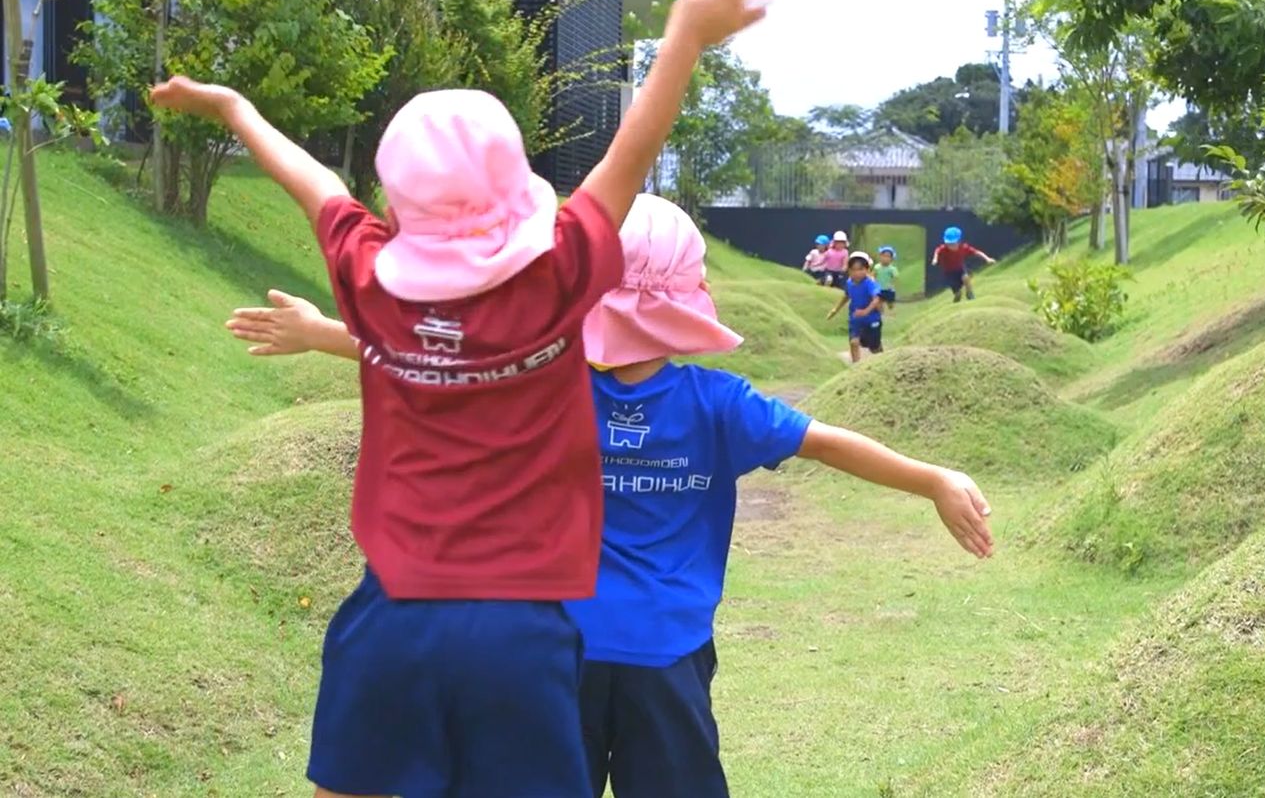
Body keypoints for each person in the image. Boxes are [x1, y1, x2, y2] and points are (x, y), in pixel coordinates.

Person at [162, 0, 771, 798]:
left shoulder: (371, 277)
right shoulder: (557, 276)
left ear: (397, 196)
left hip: (390, 616)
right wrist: (684, 38)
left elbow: (315, 185)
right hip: (520, 631)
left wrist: (236, 109)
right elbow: (631, 150)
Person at [227, 195, 994, 798]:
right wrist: (932, 479)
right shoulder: (719, 403)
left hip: (549, 654)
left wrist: (322, 330)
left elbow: (424, 355)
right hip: (666, 660)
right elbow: (828, 441)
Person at [827, 251, 884, 362]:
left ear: (867, 270)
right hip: (856, 319)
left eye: (860, 269)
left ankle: (883, 361)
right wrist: (835, 310)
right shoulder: (849, 283)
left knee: (874, 348)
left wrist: (866, 311)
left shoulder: (870, 284)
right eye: (853, 269)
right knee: (854, 342)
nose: (857, 273)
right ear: (849, 270)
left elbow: (876, 299)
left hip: (871, 319)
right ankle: (856, 367)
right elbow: (847, 295)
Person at [931, 226, 995, 303]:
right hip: (949, 273)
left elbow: (977, 252)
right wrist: (935, 259)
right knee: (957, 292)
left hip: (960, 269)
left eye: (953, 243)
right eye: (948, 244)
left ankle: (969, 293)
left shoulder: (964, 247)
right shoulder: (943, 249)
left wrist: (987, 259)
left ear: (959, 241)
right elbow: (937, 251)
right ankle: (957, 296)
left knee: (965, 277)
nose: (950, 246)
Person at [873, 245, 899, 309]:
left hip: (889, 289)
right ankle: (880, 312)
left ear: (891, 259)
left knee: (890, 304)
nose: (886, 258)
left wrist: (893, 285)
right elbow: (873, 275)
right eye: (884, 256)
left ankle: (891, 308)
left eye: (888, 257)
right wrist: (873, 282)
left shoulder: (892, 269)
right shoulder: (877, 267)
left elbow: (895, 278)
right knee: (879, 303)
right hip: (879, 289)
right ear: (880, 257)